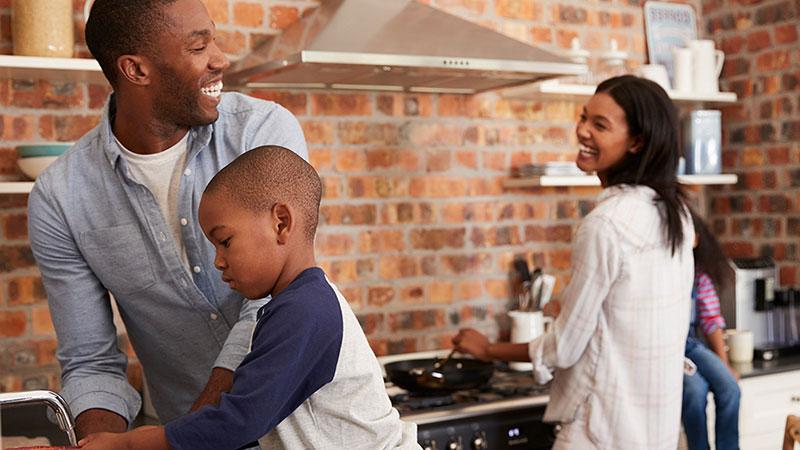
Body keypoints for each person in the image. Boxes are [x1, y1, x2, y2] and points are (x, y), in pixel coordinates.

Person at [26, 0, 307, 439]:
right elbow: (91, 363)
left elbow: (276, 304)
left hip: (307, 427)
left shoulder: (260, 134)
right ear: (136, 70)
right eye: (198, 47)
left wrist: (185, 437)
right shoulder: (60, 197)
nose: (220, 58)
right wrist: (101, 443)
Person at [78, 146, 420, 450]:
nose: (217, 260)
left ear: (281, 223)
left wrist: (128, 444)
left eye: (225, 241)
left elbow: (239, 421)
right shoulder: (294, 305)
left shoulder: (305, 311)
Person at [452, 75, 695, 449]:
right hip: (655, 434)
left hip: (599, 433)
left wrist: (488, 350)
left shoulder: (605, 224)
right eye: (584, 118)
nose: (582, 131)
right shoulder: (674, 214)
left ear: (636, 142)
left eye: (600, 125)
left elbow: (564, 347)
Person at [682, 211, 740, 450]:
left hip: (692, 344)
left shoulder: (699, 277)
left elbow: (711, 320)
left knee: (730, 387)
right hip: (668, 347)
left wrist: (723, 362)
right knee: (695, 391)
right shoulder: (661, 273)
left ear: (695, 239)